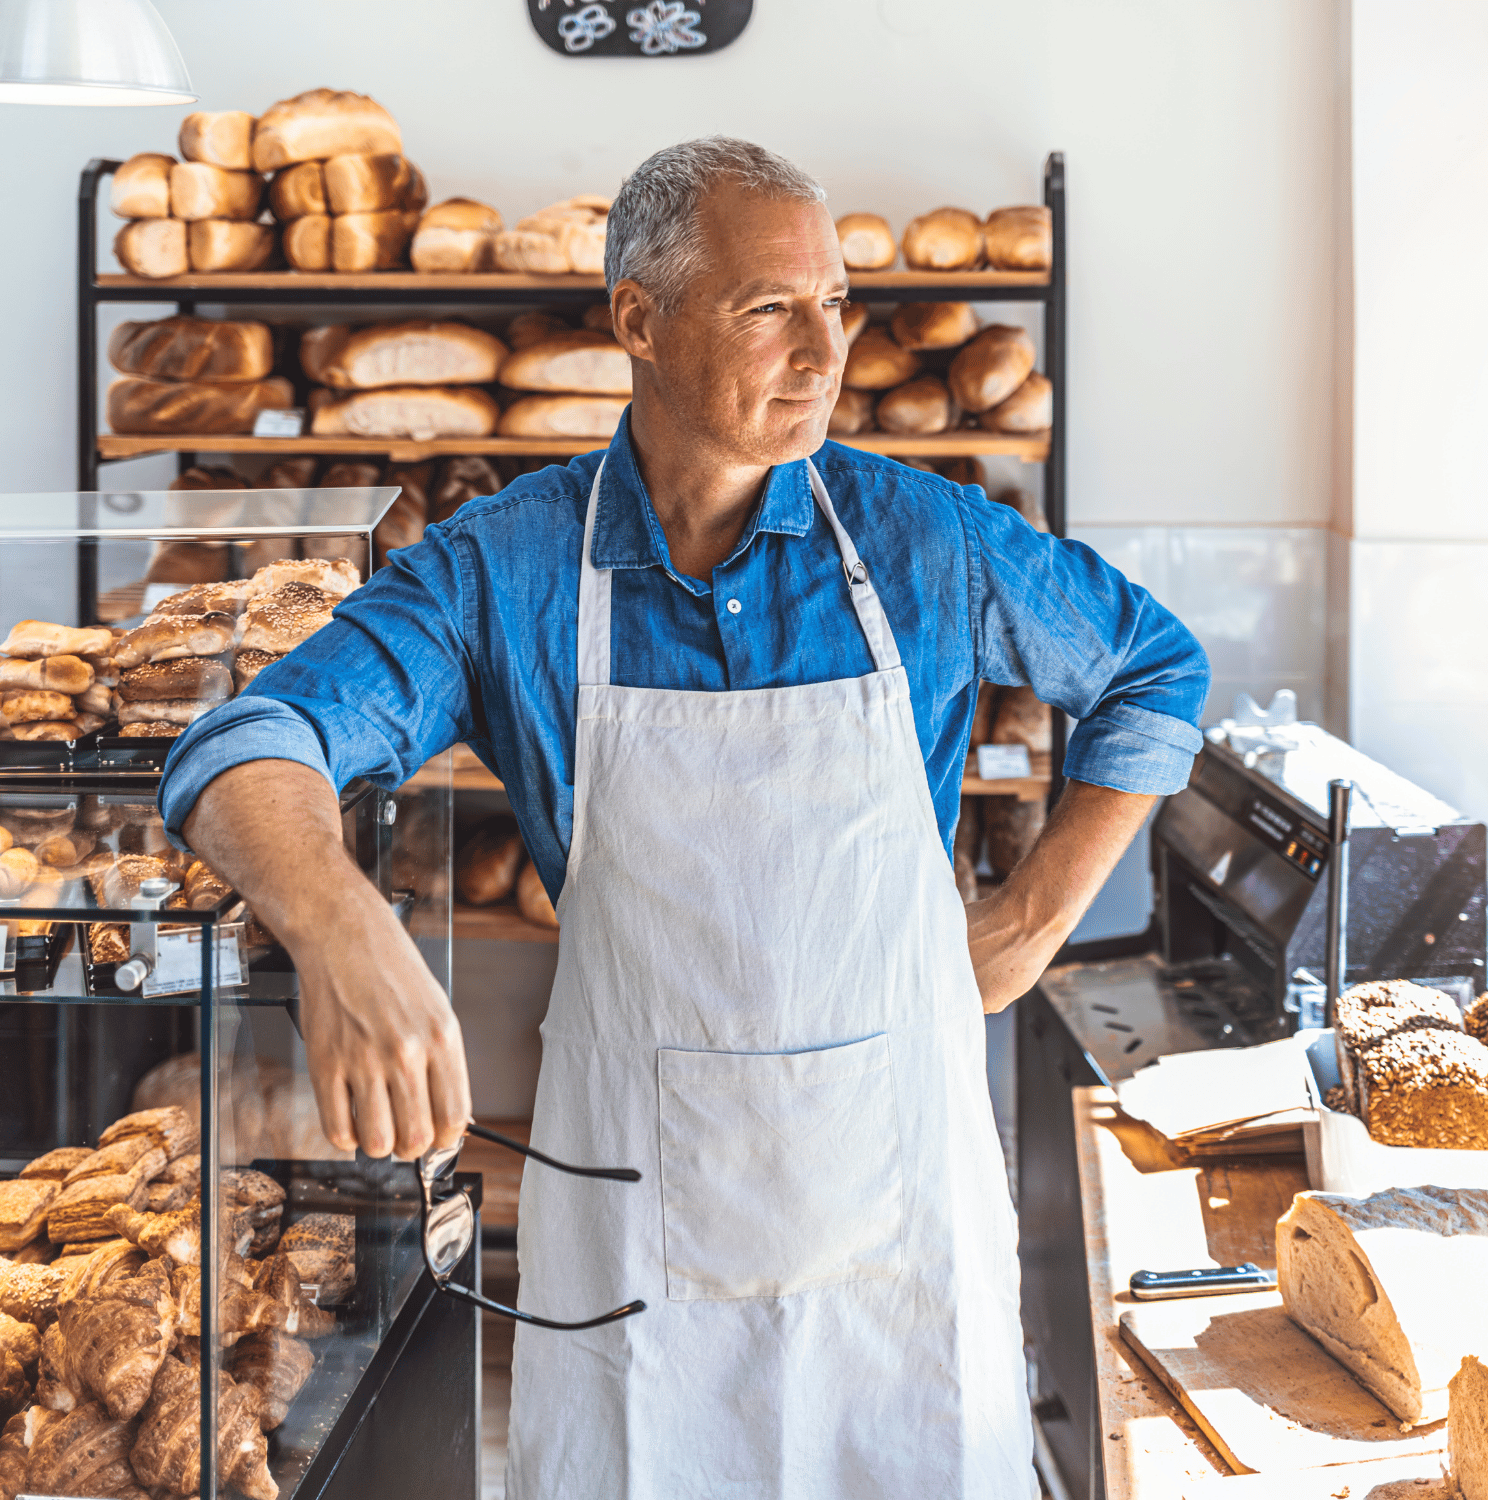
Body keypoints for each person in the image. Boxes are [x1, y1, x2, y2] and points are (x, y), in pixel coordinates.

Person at [162, 136, 1209, 1500]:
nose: (821, 349)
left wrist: (1034, 911)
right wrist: (335, 923)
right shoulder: (506, 568)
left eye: (834, 304)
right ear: (638, 320)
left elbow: (1152, 667)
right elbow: (248, 739)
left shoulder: (921, 544)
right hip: (641, 1258)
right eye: (770, 306)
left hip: (900, 1240)